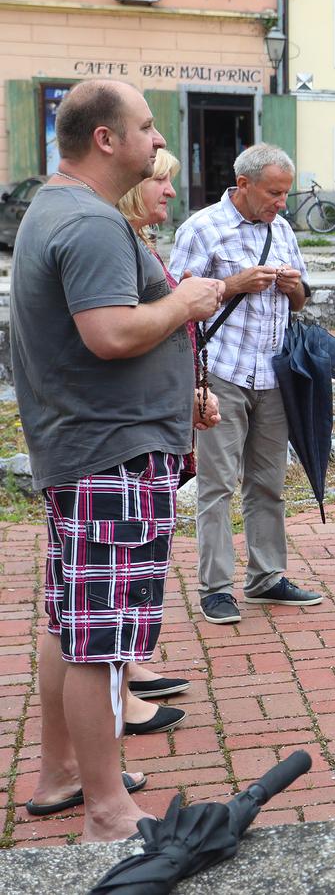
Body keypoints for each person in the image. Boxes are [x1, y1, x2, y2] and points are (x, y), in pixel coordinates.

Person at [12, 79, 223, 840]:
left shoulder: (55, 205)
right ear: (106, 139)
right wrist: (186, 304)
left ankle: (63, 773)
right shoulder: (94, 223)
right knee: (102, 638)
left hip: (88, 448)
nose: (158, 139)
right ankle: (106, 809)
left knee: (71, 622)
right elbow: (109, 333)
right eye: (145, 127)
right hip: (112, 458)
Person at [170, 143, 322, 626]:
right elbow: (175, 303)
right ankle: (216, 588)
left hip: (272, 375)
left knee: (268, 483)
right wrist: (235, 284)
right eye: (274, 192)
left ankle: (266, 576)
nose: (282, 202)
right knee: (216, 486)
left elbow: (300, 302)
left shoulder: (281, 229)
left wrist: (293, 286)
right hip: (223, 374)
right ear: (244, 185)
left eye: (286, 193)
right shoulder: (202, 228)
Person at [109, 149, 198, 734]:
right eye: (160, 182)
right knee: (116, 570)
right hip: (128, 435)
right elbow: (123, 335)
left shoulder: (141, 245)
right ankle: (118, 687)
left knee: (143, 558)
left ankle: (132, 666)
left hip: (158, 419)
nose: (169, 191)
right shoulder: (116, 245)